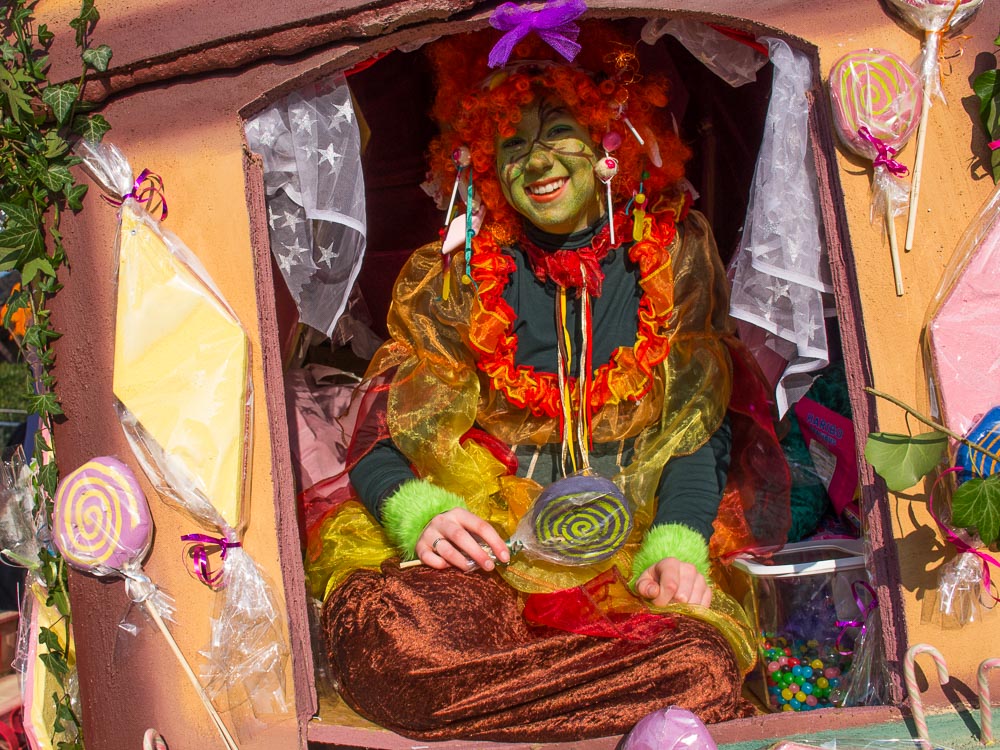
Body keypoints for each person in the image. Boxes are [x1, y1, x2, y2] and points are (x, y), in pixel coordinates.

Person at [309, 18, 790, 743]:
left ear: (609, 139)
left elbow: (694, 432)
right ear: (483, 164)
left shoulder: (673, 256)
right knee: (382, 638)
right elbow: (378, 437)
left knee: (701, 667)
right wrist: (420, 513)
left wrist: (679, 545)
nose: (537, 162)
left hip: (629, 563)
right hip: (490, 560)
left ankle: (501, 719)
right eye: (512, 143)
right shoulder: (455, 275)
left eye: (558, 131)